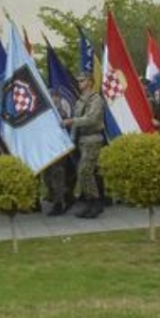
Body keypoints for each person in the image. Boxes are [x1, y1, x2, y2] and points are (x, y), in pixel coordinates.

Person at [63, 72, 106, 219]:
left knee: (84, 171)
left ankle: (95, 202)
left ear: (90, 82)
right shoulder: (80, 100)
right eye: (78, 80)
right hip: (82, 140)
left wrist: (72, 121)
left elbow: (92, 119)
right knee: (87, 173)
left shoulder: (96, 99)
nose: (79, 83)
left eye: (82, 80)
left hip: (92, 139)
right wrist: (72, 138)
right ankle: (91, 202)